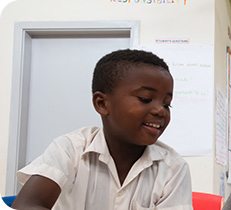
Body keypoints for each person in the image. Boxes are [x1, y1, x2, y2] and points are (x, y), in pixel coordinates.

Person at [12, 49, 193, 210]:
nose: (160, 110)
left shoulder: (173, 168)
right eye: (145, 99)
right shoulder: (70, 149)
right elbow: (27, 204)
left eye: (167, 104)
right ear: (102, 104)